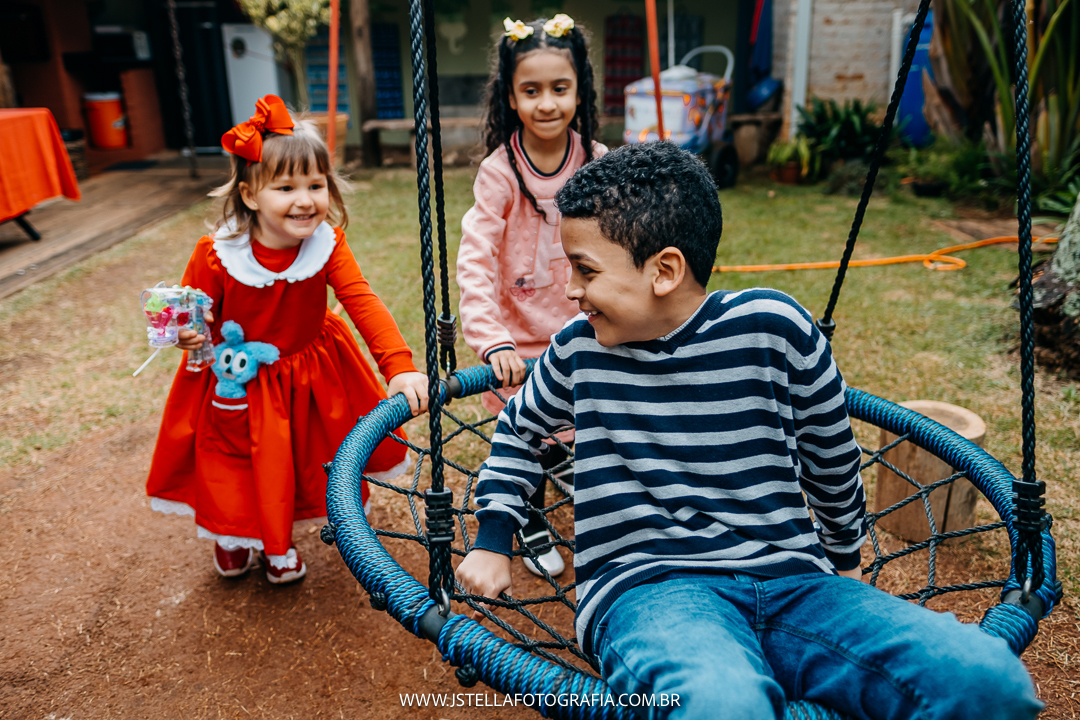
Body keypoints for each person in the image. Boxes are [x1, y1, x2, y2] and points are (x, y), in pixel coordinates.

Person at [456, 142, 1042, 719]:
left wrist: (844, 558)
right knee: (723, 704)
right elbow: (519, 430)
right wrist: (494, 537)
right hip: (654, 590)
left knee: (986, 683)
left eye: (585, 270)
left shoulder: (774, 330)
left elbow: (830, 455)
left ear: (664, 270)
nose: (571, 290)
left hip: (795, 583)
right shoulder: (579, 351)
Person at [147, 95, 428, 585]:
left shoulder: (327, 244)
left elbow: (360, 299)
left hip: (310, 370)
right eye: (285, 187)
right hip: (237, 377)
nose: (305, 199)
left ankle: (278, 543)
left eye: (315, 184)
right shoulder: (218, 254)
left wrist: (398, 365)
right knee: (232, 462)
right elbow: (194, 314)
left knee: (296, 460)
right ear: (251, 194)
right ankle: (232, 535)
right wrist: (186, 335)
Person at [456, 14, 605, 578]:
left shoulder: (596, 159)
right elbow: (474, 257)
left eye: (559, 89)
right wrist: (492, 339)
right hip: (518, 339)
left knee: (588, 422)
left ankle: (574, 474)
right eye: (531, 90)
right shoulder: (500, 173)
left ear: (579, 90)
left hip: (583, 329)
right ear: (511, 98)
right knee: (528, 436)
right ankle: (531, 516)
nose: (547, 103)